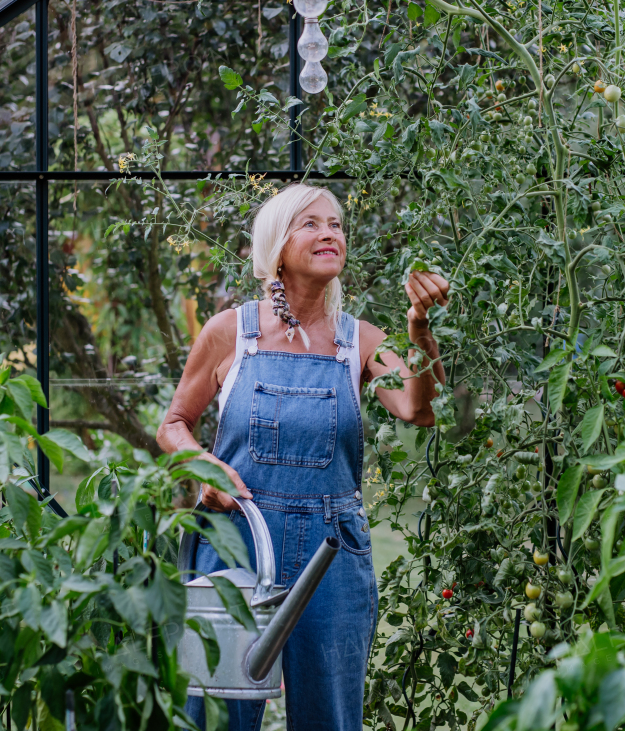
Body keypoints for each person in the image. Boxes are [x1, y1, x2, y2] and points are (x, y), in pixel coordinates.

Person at [158, 183, 450, 731]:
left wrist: (419, 329)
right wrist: (202, 466)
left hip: (331, 553)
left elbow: (419, 408)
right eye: (311, 224)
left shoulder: (359, 340)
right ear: (276, 245)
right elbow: (173, 425)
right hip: (237, 540)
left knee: (330, 718)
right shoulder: (230, 333)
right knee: (215, 714)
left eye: (336, 224)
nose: (329, 233)